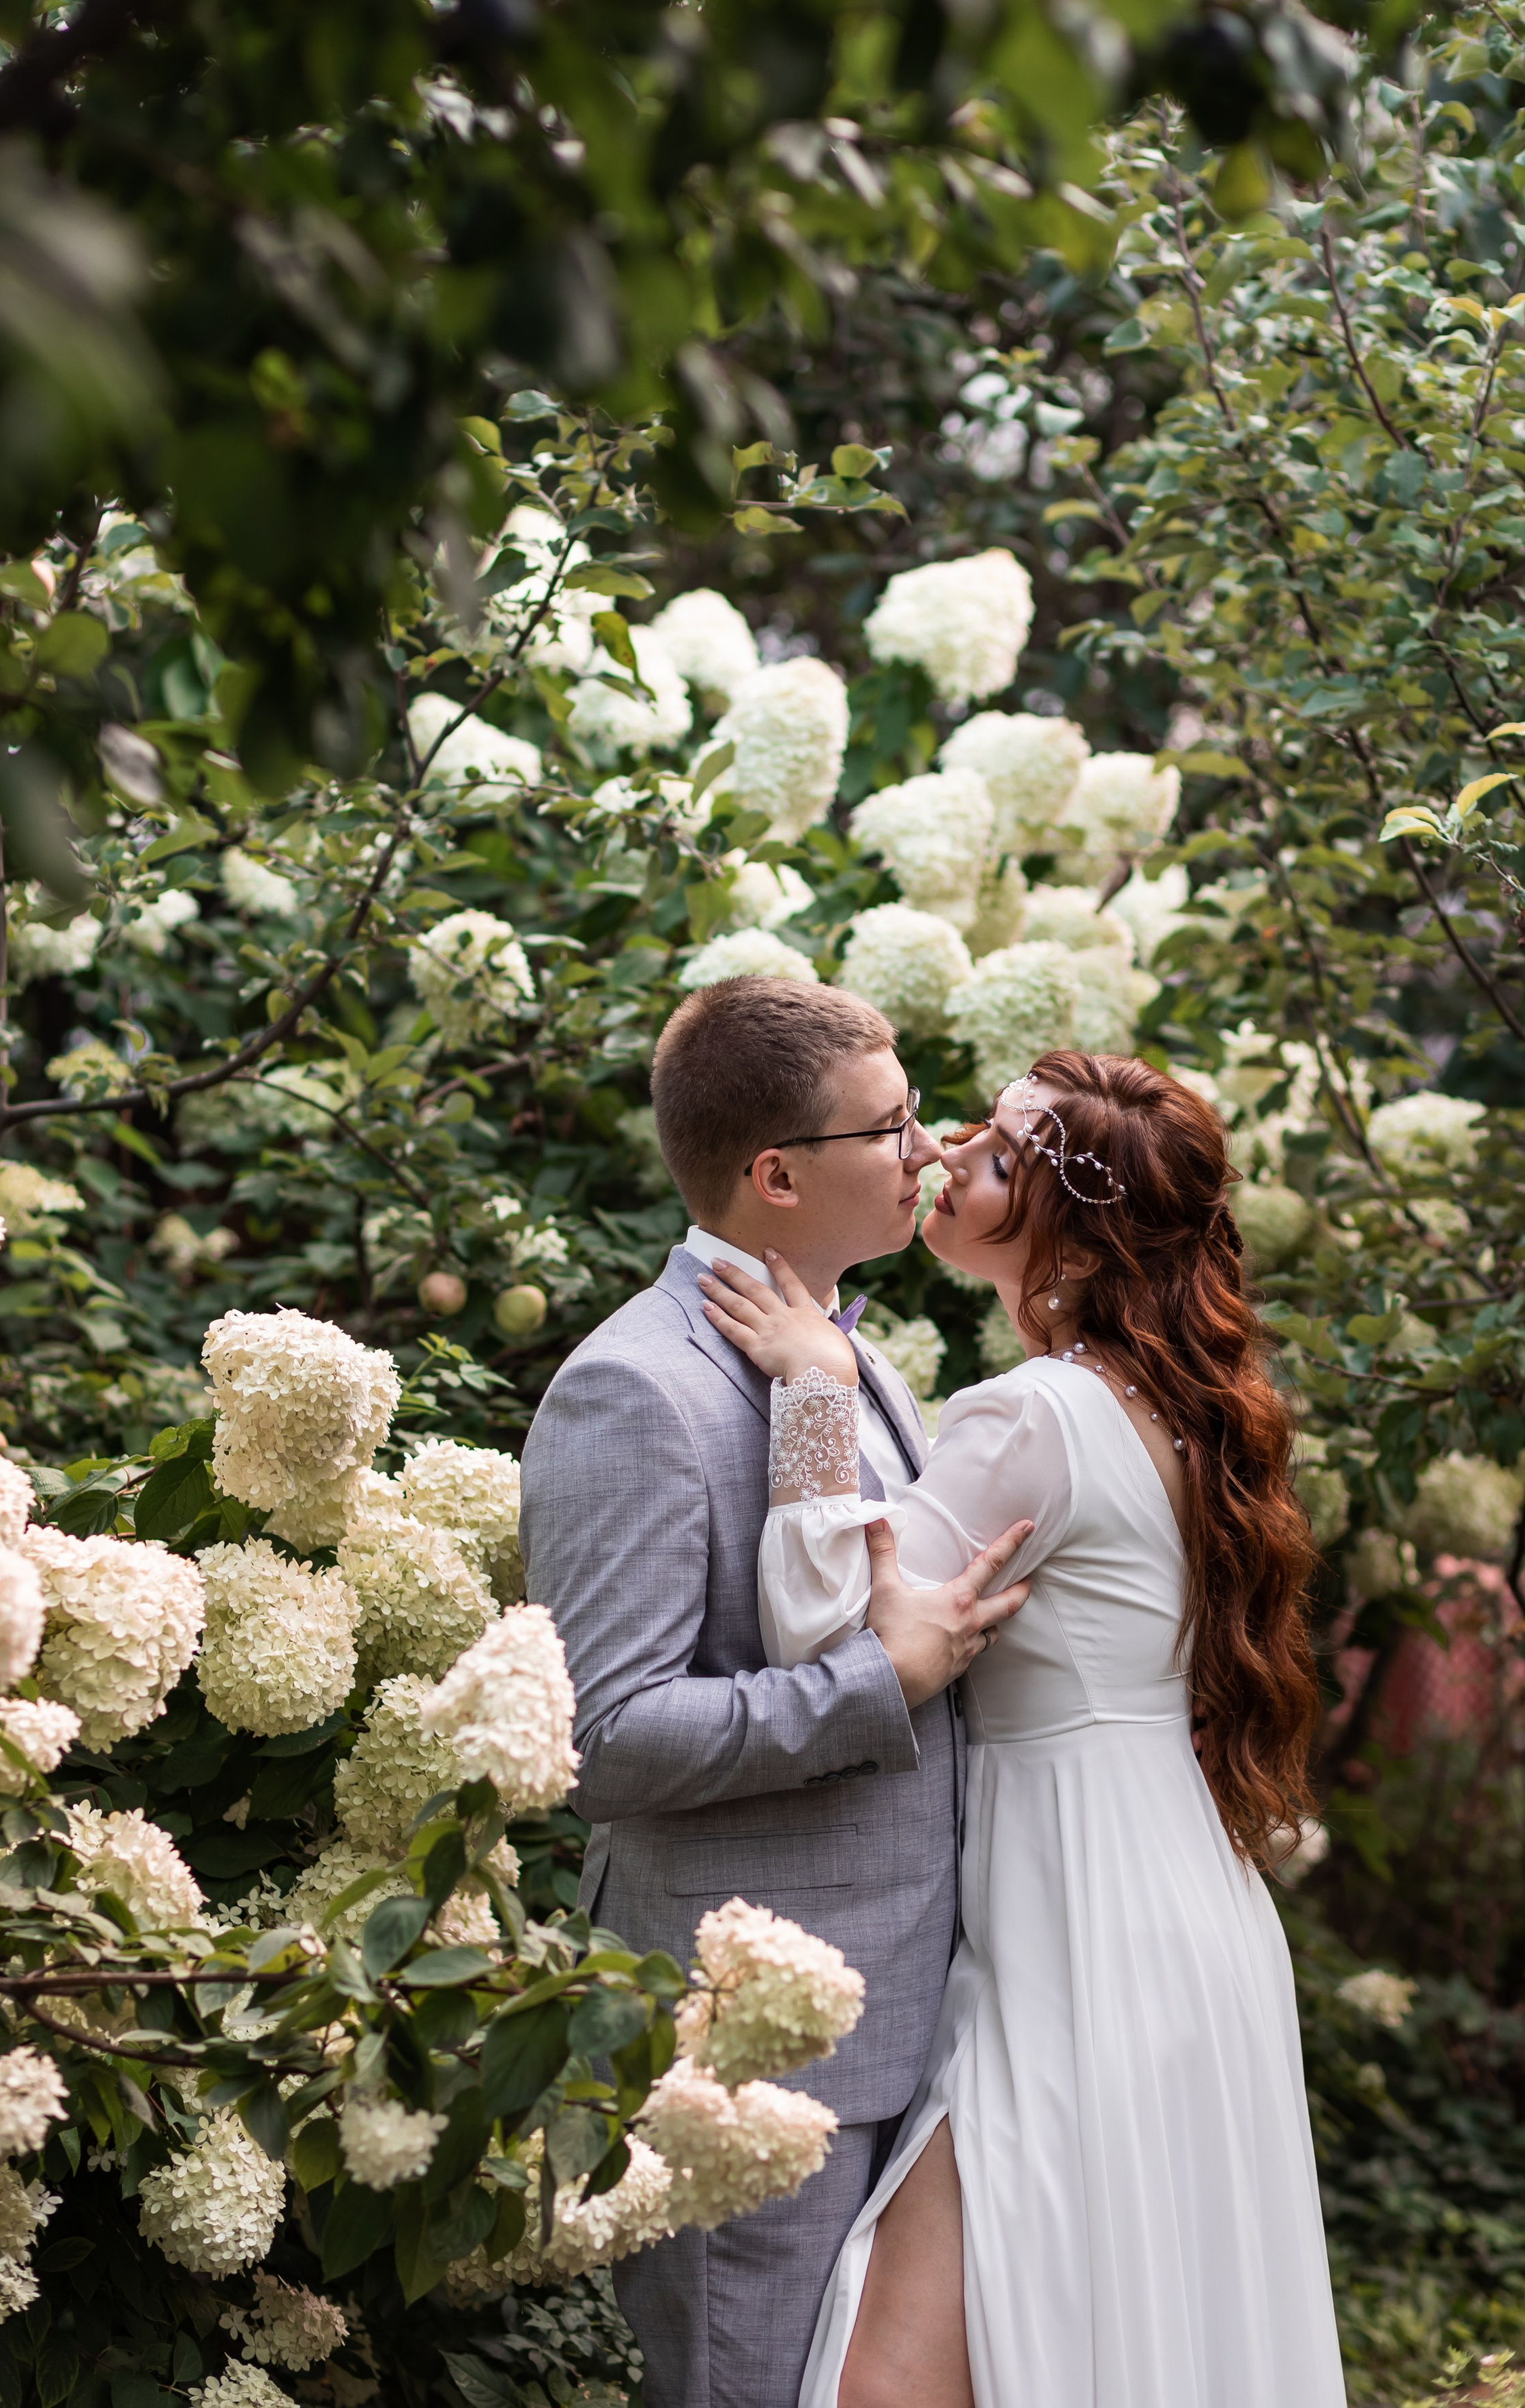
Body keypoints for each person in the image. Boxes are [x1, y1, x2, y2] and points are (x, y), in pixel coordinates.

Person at [699, 1049, 1346, 2408]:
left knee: (898, 2377)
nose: (938, 1152)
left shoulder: (1034, 1413)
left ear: (1067, 1231)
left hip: (1080, 1926)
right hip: (1181, 1907)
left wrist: (816, 1389)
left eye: (991, 1155)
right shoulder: (1177, 1403)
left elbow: (828, 1639)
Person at [519, 979, 1032, 2408]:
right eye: (892, 1126)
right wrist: (887, 1679)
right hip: (747, 2065)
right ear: (777, 1174)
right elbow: (604, 1740)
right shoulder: (633, 1388)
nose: (926, 1151)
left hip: (905, 2018)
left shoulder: (842, 1346)